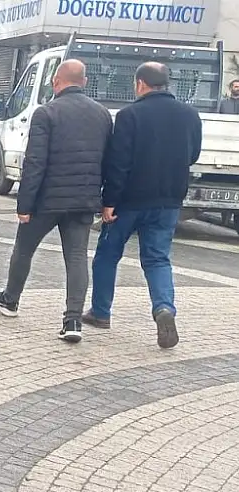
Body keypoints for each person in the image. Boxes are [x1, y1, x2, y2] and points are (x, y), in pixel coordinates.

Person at [0, 60, 112, 343]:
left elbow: (35, 161)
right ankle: (73, 321)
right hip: (83, 200)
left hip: (46, 200)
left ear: (56, 82)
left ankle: (10, 299)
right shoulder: (102, 114)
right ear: (85, 81)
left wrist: (25, 205)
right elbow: (109, 162)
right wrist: (106, 200)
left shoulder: (47, 113)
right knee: (77, 257)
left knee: (24, 249)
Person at [87, 62, 202, 349]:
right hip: (169, 201)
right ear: (166, 83)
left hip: (129, 201)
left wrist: (109, 201)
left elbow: (119, 162)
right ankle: (164, 308)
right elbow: (194, 154)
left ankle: (101, 312)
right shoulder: (190, 115)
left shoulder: (129, 115)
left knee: (107, 254)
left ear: (140, 84)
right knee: (157, 259)